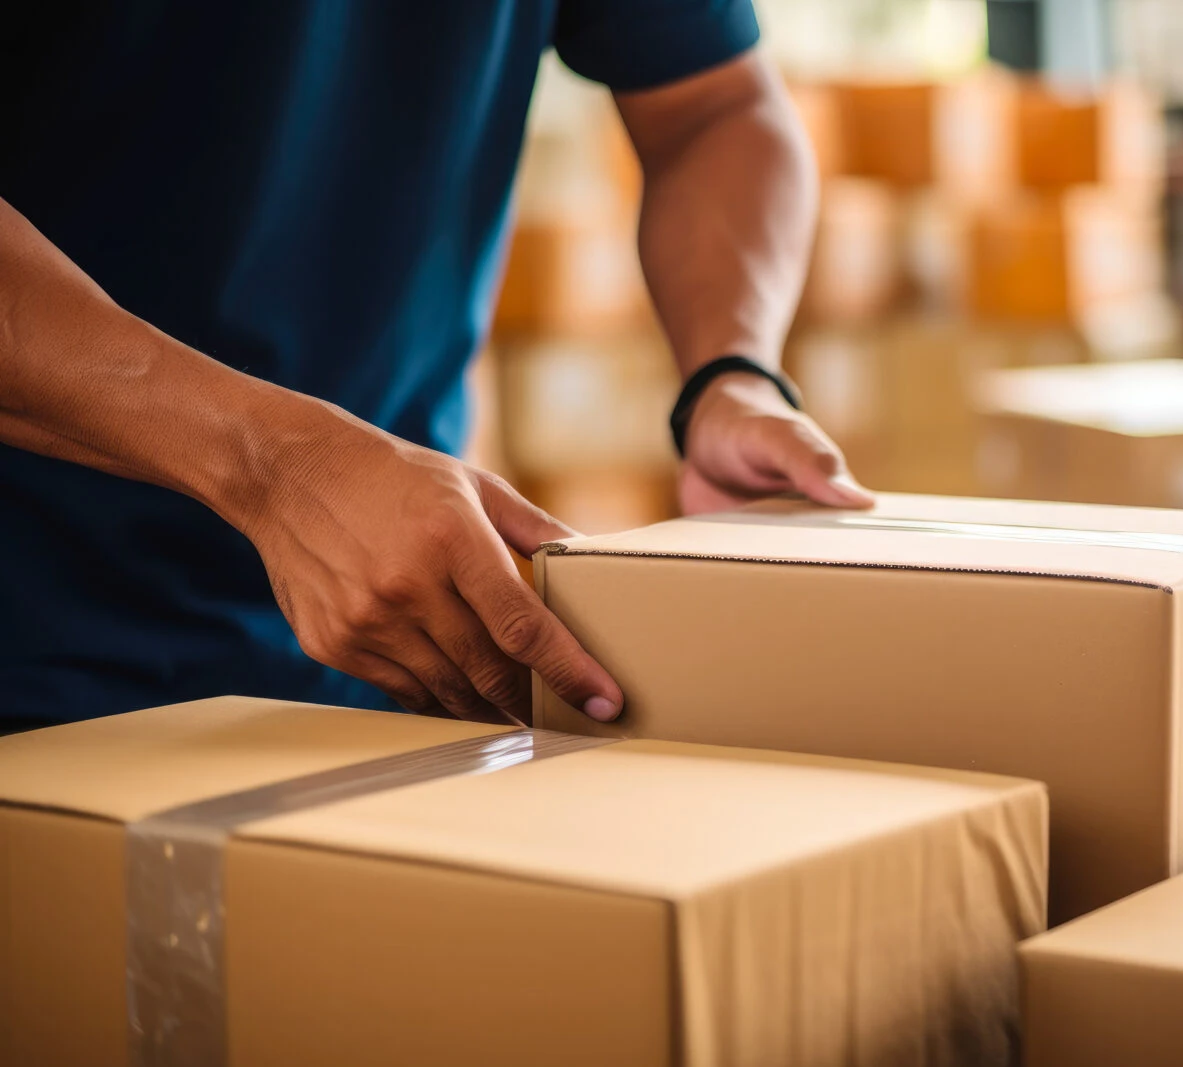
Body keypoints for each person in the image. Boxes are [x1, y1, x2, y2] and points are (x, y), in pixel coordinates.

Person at [0, 2, 871, 733]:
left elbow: (715, 106)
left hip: (402, 630)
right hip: (39, 649)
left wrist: (730, 371)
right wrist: (269, 462)